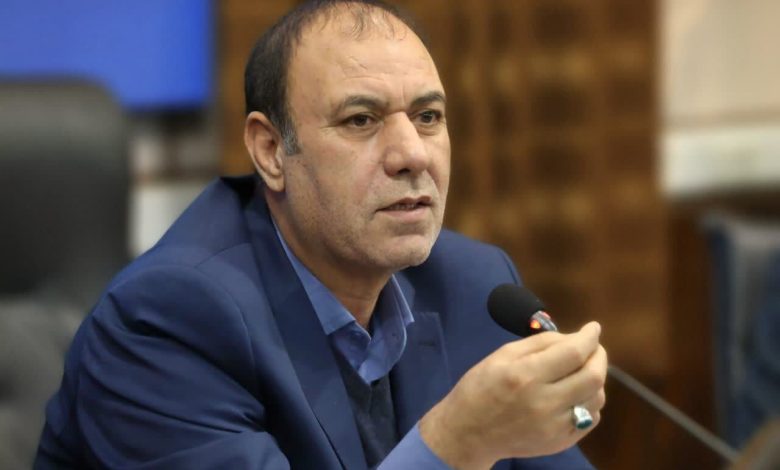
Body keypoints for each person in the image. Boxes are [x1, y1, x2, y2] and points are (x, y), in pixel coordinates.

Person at [35, 1, 607, 468]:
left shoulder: (475, 285)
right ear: (271, 151)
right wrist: (456, 444)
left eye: (428, 117)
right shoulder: (167, 322)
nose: (412, 154)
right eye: (361, 120)